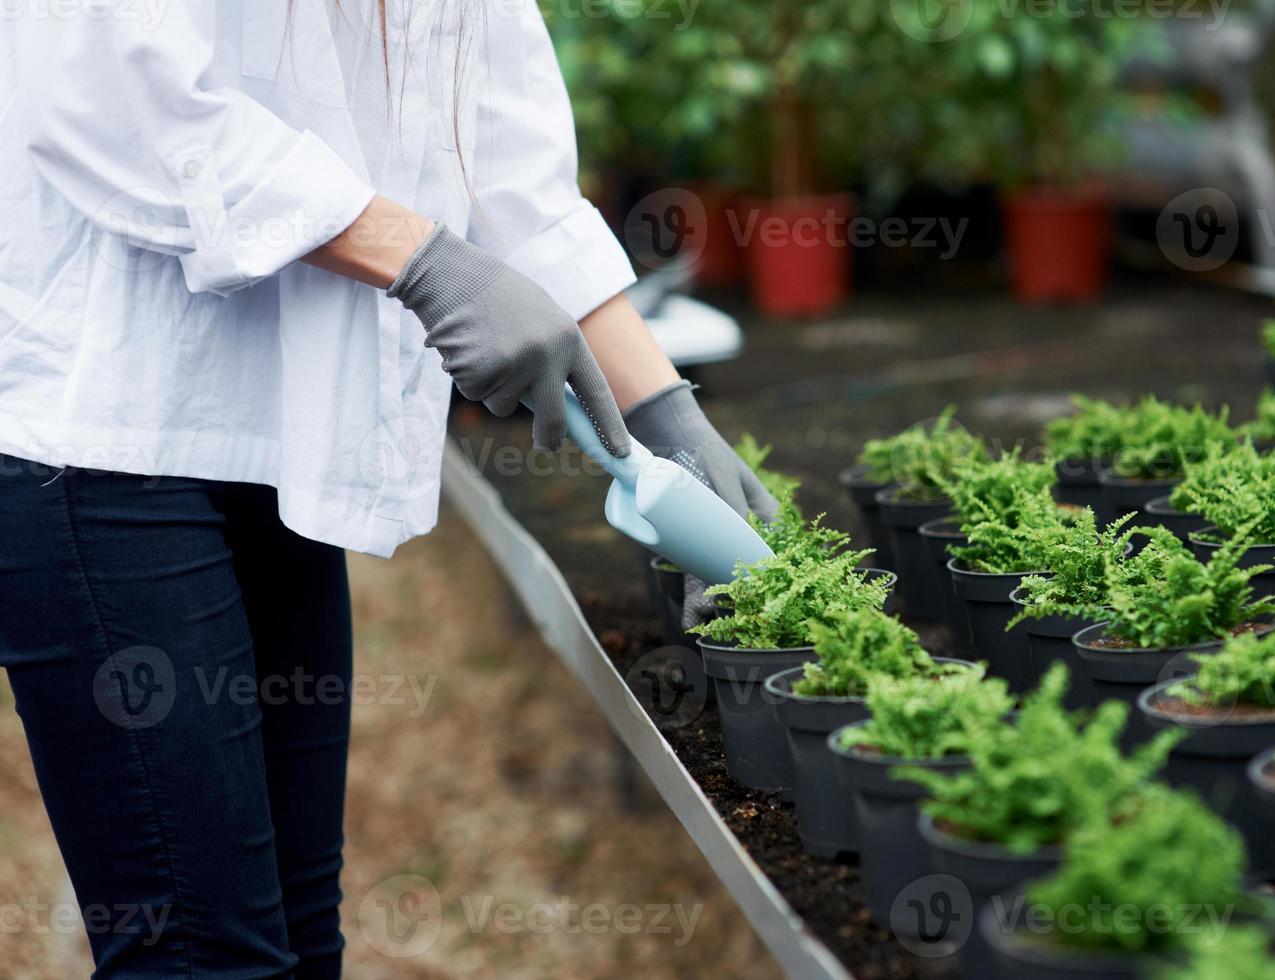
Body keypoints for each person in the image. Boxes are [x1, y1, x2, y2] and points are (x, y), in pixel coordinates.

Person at [0, 4, 774, 977]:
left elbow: (494, 135)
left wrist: (661, 411)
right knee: (200, 952)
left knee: (298, 931)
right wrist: (422, 259)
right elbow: (110, 94)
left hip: (270, 425)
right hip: (98, 422)